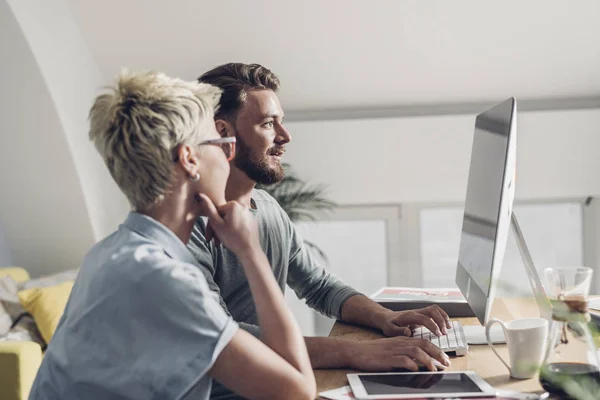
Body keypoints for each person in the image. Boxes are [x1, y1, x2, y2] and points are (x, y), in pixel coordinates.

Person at [29, 70, 316, 400]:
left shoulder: (115, 251)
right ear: (189, 159)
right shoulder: (160, 278)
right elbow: (296, 391)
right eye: (222, 145)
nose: (228, 157)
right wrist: (251, 253)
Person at [189, 63, 452, 400]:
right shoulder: (191, 227)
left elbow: (318, 285)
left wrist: (387, 318)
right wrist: (356, 352)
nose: (285, 136)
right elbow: (225, 338)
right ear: (223, 132)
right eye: (268, 124)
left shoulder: (267, 207)